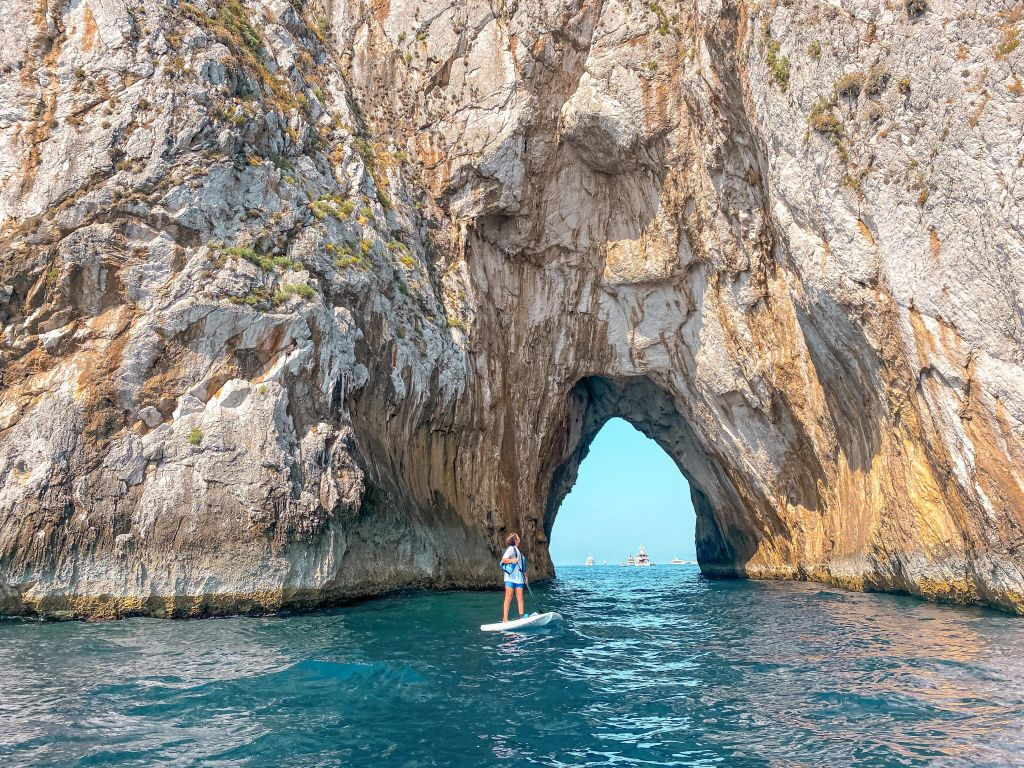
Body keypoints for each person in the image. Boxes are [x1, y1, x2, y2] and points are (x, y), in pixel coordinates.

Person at [500, 533, 528, 622]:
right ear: (515, 540)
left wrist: (525, 576)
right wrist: (513, 560)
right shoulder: (511, 549)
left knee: (520, 597)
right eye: (517, 537)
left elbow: (522, 565)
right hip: (510, 578)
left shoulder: (518, 550)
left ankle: (521, 617)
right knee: (509, 597)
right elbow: (503, 560)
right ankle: (505, 619)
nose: (519, 538)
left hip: (519, 578)